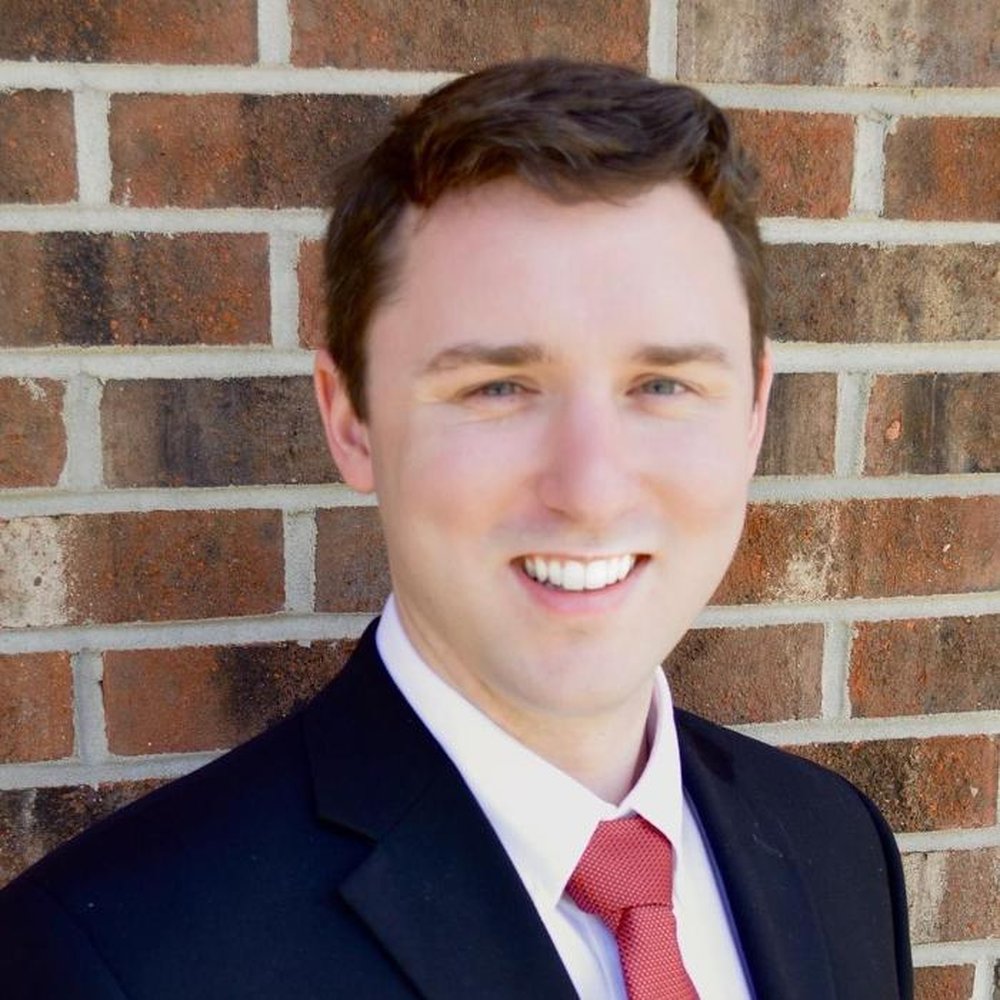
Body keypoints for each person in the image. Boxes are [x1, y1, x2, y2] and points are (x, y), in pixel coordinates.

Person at [0, 59, 912, 999]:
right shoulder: (113, 961)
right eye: (498, 387)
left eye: (663, 384)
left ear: (754, 411)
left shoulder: (838, 850)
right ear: (351, 420)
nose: (591, 491)